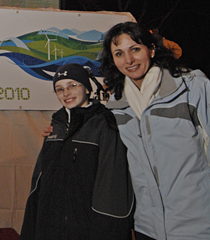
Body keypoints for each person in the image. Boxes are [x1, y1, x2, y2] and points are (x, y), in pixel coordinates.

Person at [100, 22, 210, 240]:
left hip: (198, 229)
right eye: (119, 53)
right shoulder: (117, 105)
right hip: (147, 229)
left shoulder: (192, 88)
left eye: (135, 49)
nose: (128, 60)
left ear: (151, 49)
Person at [20, 63, 134, 240]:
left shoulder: (105, 124)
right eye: (60, 89)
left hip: (87, 227)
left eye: (73, 85)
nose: (66, 93)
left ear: (87, 89)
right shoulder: (56, 126)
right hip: (52, 227)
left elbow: (112, 183)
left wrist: (107, 228)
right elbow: (40, 183)